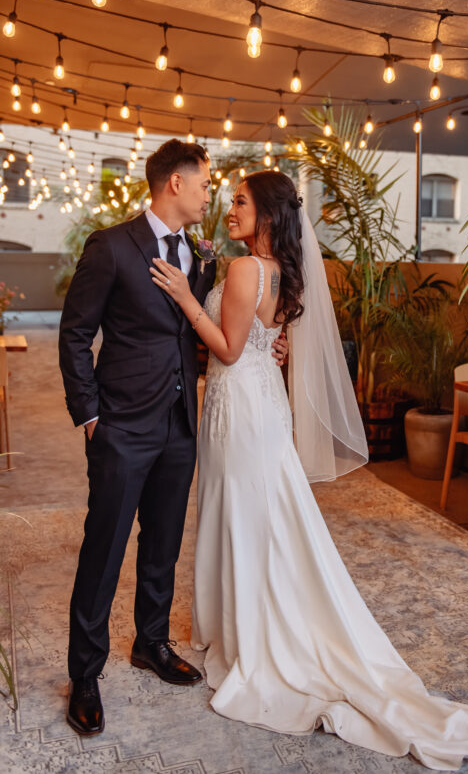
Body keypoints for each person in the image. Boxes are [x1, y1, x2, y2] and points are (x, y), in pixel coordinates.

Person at [150, 170, 468, 771]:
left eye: (240, 203)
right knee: (260, 513)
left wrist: (183, 295)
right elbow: (264, 340)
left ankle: (250, 633)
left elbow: (227, 350)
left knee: (241, 512)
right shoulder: (279, 271)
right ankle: (250, 618)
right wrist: (258, 340)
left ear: (268, 216)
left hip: (239, 406)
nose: (229, 210)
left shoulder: (242, 269)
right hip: (261, 405)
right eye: (228, 199)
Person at [58, 139, 288, 737]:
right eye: (206, 184)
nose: (211, 194)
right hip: (122, 425)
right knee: (104, 546)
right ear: (175, 184)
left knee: (163, 543)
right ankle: (85, 672)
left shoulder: (199, 252)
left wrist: (266, 346)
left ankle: (150, 643)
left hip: (182, 424)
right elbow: (75, 334)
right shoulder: (111, 246)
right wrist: (90, 415)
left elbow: (210, 330)